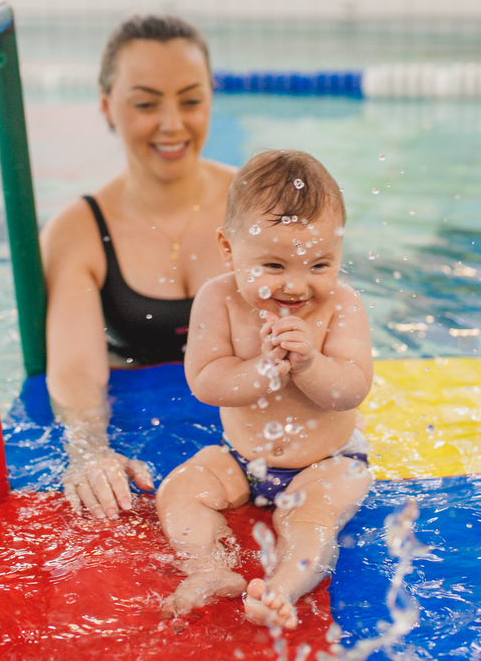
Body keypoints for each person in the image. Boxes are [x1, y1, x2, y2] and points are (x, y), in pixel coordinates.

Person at [156, 149, 374, 630]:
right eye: (274, 266)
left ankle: (282, 589)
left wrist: (310, 365)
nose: (296, 287)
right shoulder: (217, 299)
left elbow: (351, 389)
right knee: (178, 491)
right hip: (242, 459)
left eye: (319, 265)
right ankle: (209, 568)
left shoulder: (342, 305)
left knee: (310, 519)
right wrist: (263, 371)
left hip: (327, 463)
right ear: (228, 248)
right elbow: (206, 381)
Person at [40, 15, 235, 521]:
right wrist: (89, 451)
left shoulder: (255, 203)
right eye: (146, 104)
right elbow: (76, 369)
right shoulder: (78, 230)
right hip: (139, 422)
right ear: (107, 106)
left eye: (190, 101)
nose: (171, 124)